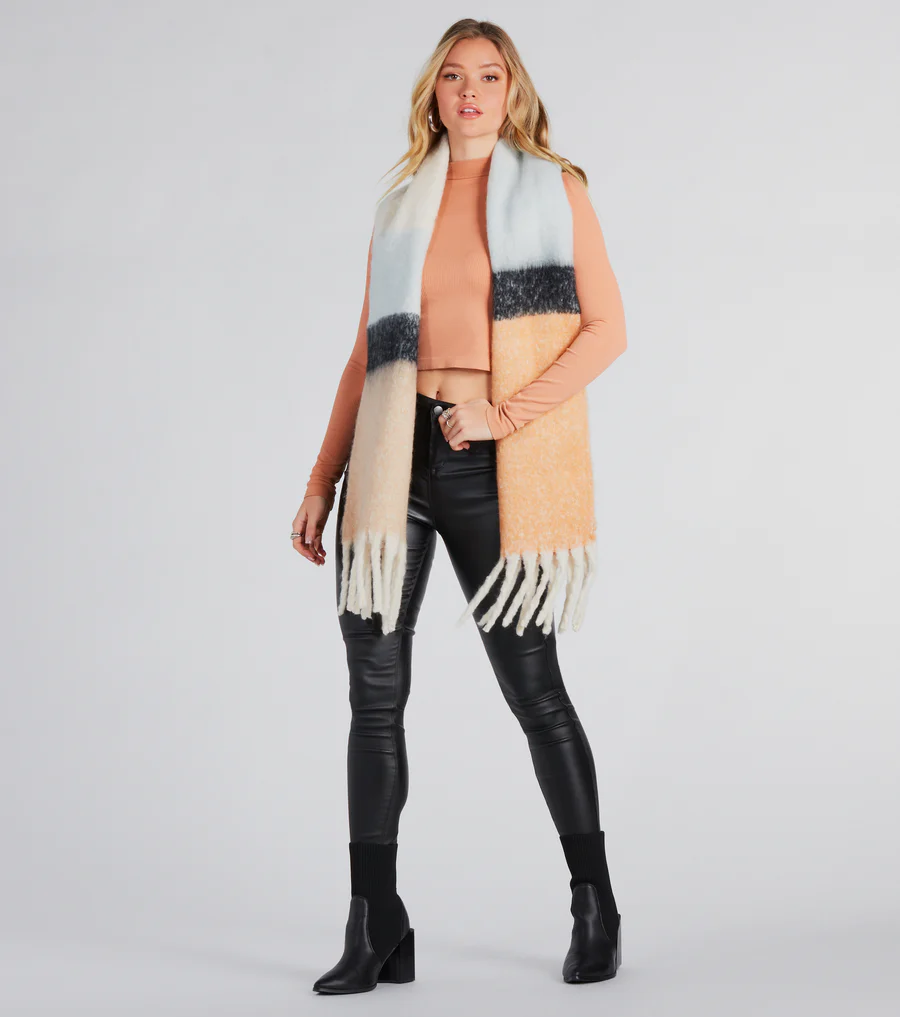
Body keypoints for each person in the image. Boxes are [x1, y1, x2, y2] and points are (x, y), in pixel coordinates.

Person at [293, 19, 627, 993]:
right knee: (373, 696)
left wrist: (502, 414)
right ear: (433, 94)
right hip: (390, 459)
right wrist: (322, 477)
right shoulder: (402, 202)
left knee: (535, 692)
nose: (470, 91)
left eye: (488, 75)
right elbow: (367, 350)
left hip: (491, 464)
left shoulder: (555, 189)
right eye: (453, 76)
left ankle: (595, 902)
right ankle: (375, 918)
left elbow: (607, 329)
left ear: (512, 90)